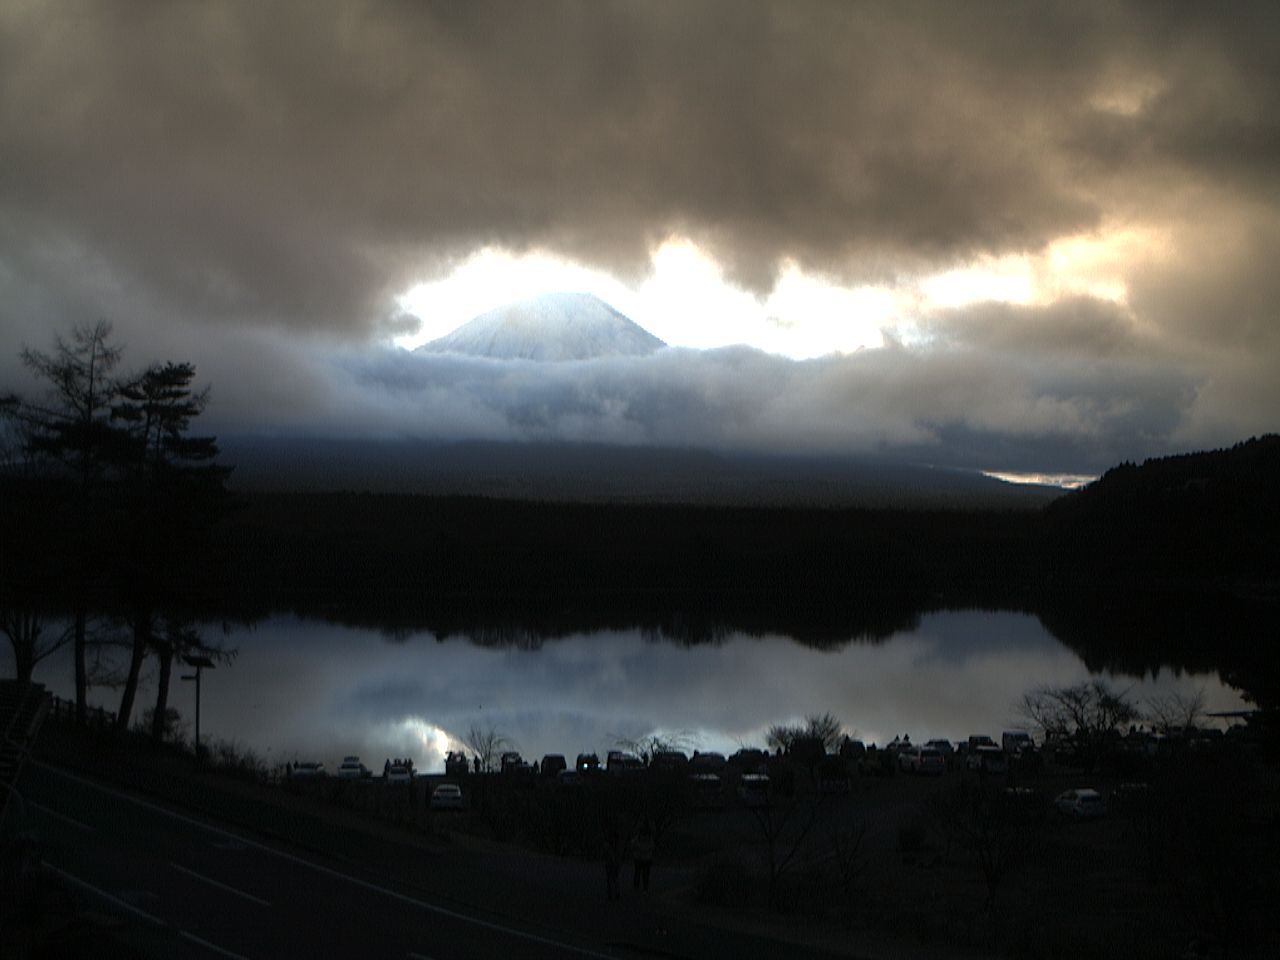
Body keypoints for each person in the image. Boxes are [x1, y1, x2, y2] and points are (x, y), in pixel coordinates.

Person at [632, 821, 655, 892]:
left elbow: (632, 845)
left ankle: (637, 886)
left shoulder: (638, 838)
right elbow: (652, 847)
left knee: (638, 873)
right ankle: (644, 887)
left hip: (639, 858)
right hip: (646, 858)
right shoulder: (649, 839)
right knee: (645, 874)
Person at [604, 830, 622, 901]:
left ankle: (614, 893)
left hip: (613, 864)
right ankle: (613, 893)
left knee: (613, 878)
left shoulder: (612, 846)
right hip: (611, 864)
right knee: (612, 879)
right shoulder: (611, 846)